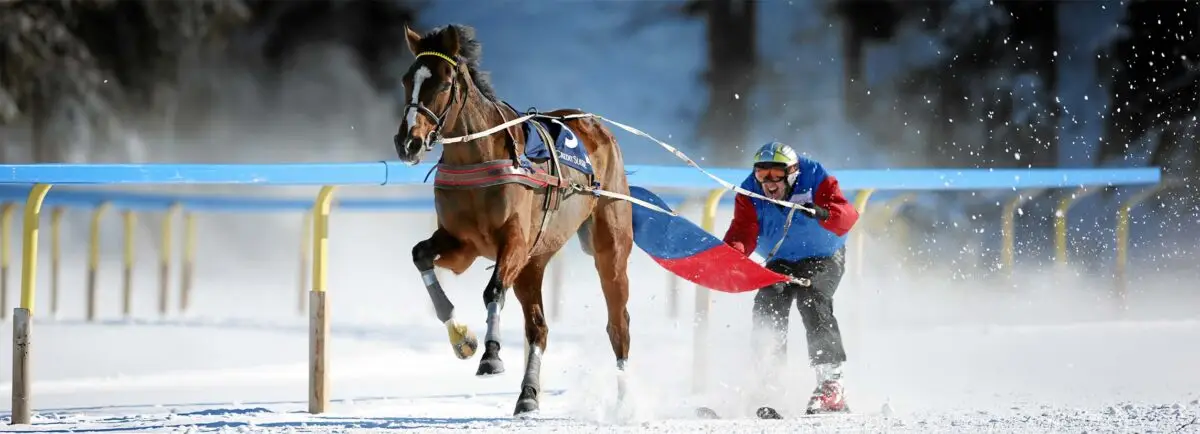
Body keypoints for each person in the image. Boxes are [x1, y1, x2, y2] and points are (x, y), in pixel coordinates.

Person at [722, 141, 860, 415]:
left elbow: (847, 215)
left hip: (824, 255)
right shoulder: (749, 191)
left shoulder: (816, 176)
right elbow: (742, 231)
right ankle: (769, 381)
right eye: (762, 175)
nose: (769, 184)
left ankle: (832, 385)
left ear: (793, 173)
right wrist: (730, 255)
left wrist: (822, 213)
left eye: (776, 176)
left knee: (812, 299)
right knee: (768, 300)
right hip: (782, 258)